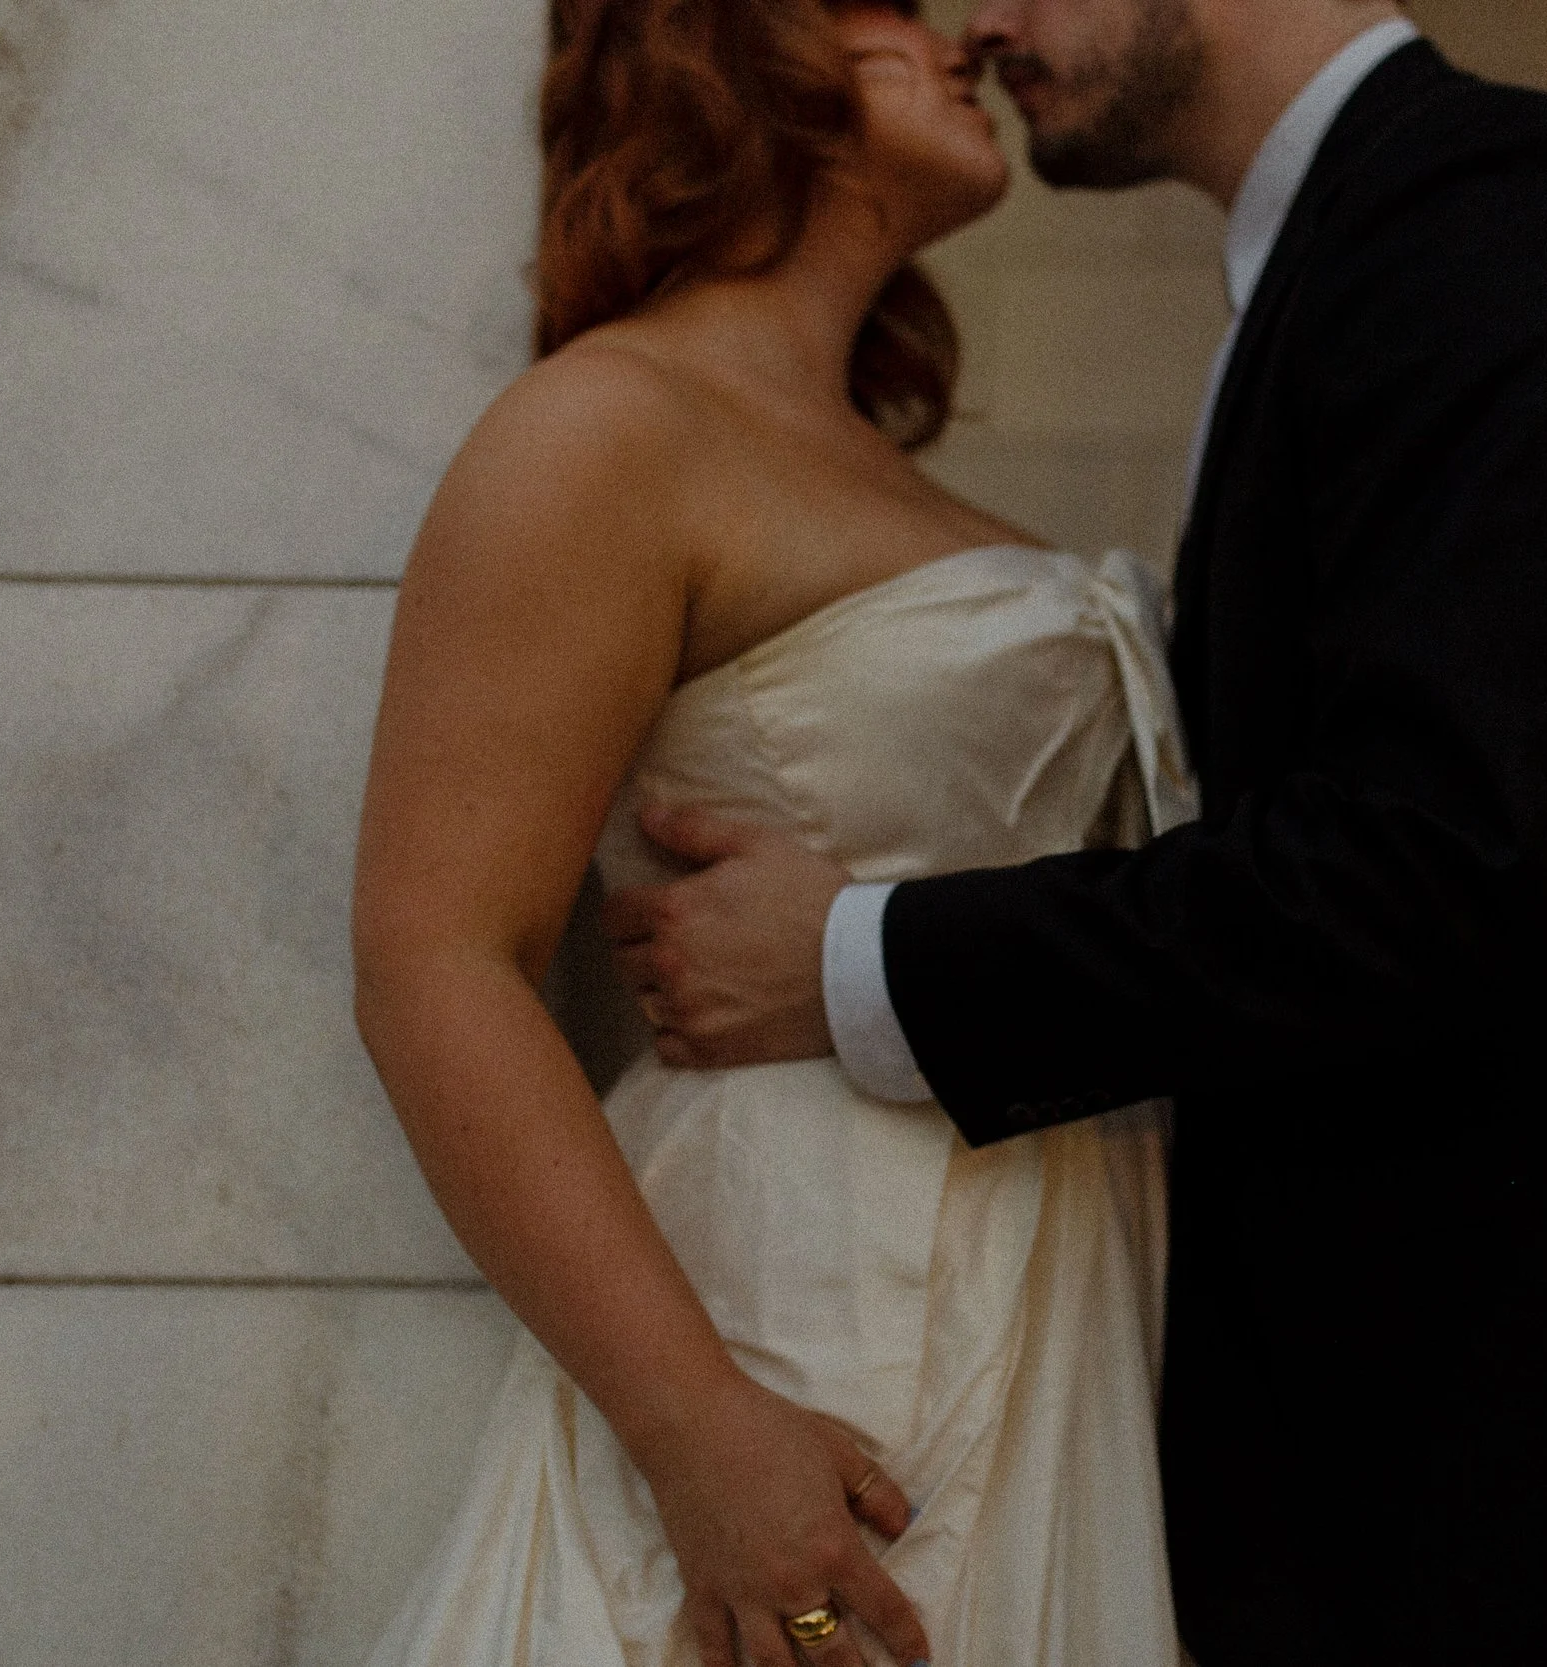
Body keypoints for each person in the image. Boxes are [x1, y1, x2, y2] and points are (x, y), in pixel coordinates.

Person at [605, 1, 1547, 1662]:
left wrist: (859, 959)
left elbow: (1431, 861)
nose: (981, 20)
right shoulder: (1362, 251)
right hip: (1454, 1430)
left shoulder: (1516, 217)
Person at [350, 4, 1188, 1663]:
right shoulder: (607, 430)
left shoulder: (886, 472)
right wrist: (698, 1433)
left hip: (1068, 1311)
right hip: (805, 1329)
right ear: (732, 44)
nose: (962, 37)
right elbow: (432, 958)